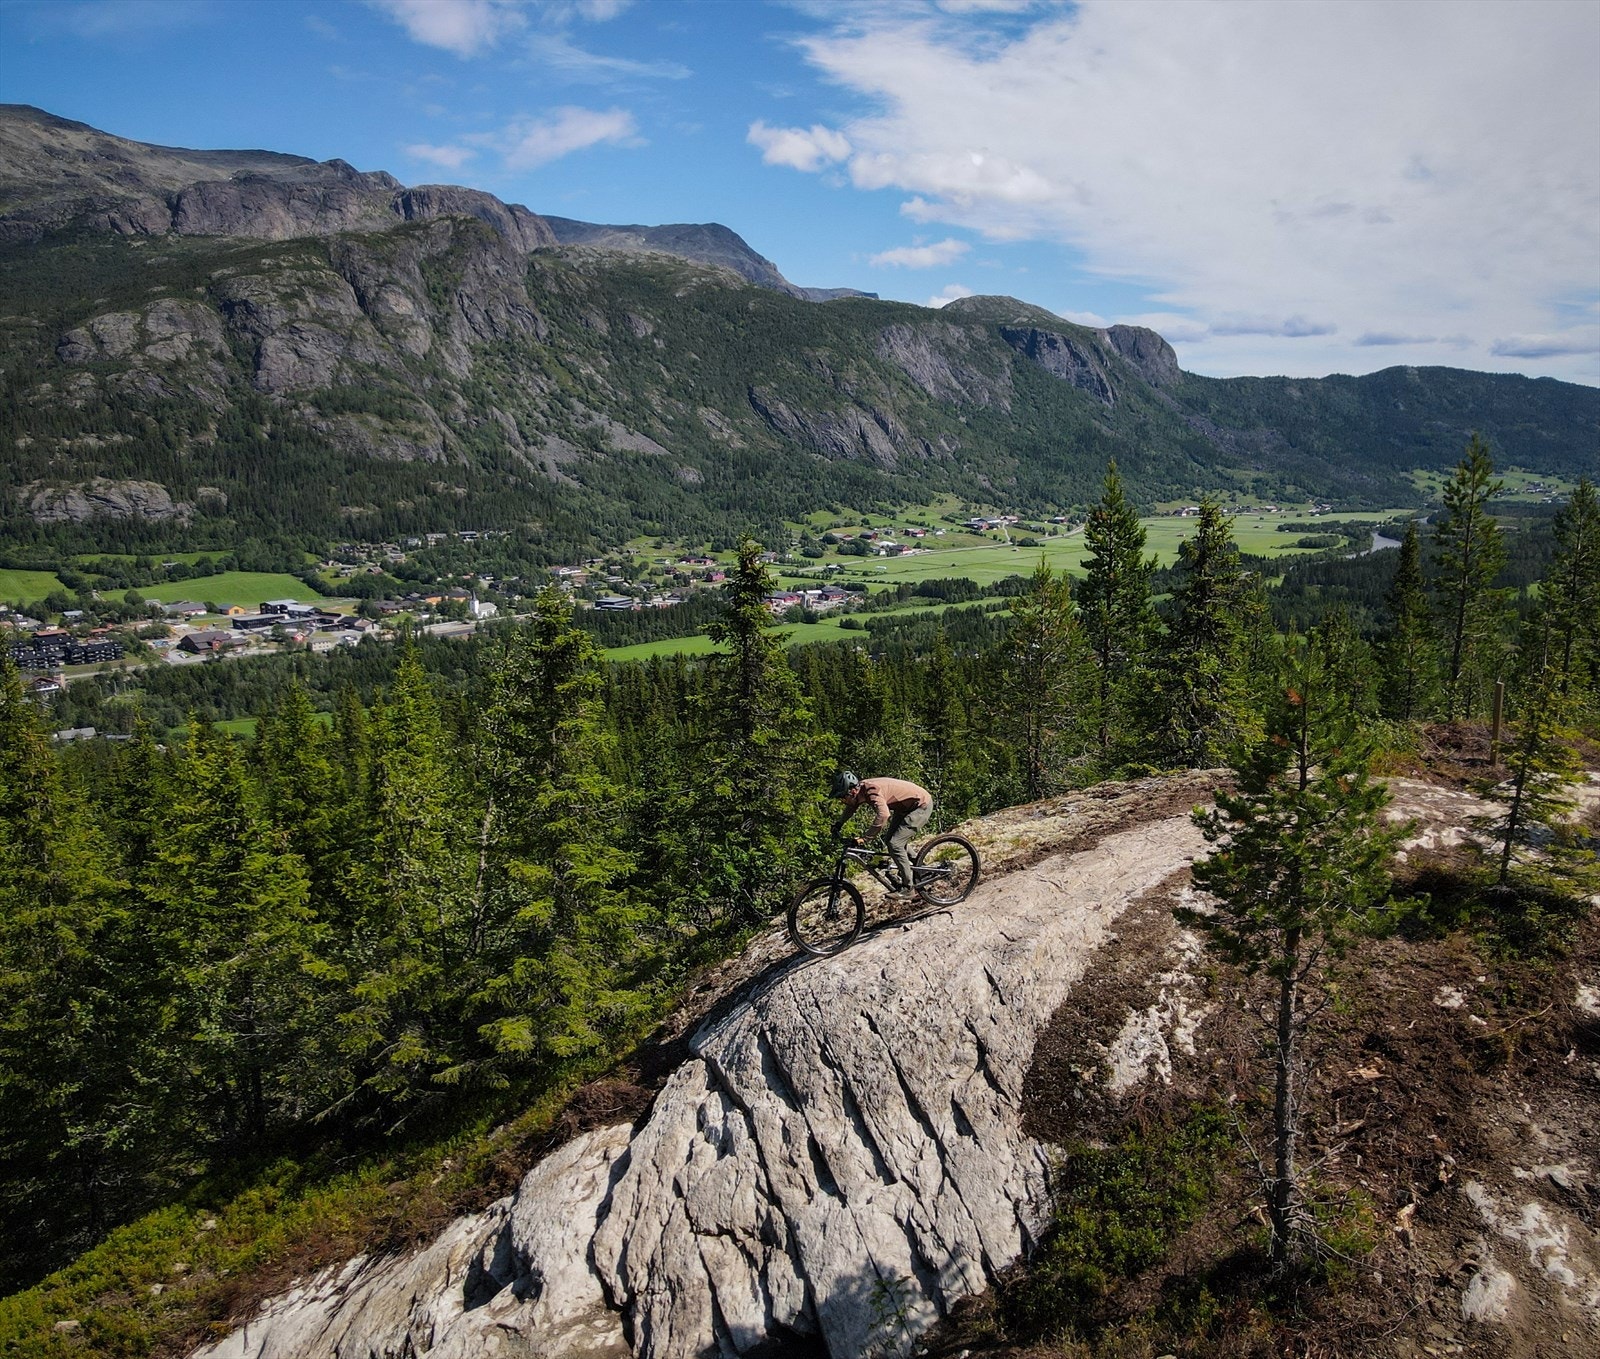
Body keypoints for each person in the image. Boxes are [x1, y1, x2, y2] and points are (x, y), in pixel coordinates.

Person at [830, 771, 933, 897]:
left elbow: (884, 815)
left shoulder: (872, 790)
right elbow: (851, 808)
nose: (842, 801)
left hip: (920, 805)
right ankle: (922, 870)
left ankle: (908, 888)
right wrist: (838, 824)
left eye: (842, 797)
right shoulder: (859, 791)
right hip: (905, 808)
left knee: (894, 844)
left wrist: (865, 838)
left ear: (852, 792)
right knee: (890, 840)